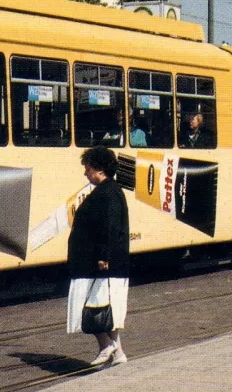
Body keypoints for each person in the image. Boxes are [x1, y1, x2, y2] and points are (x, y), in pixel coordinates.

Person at [67, 146, 130, 366]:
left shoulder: (107, 193)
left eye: (87, 168)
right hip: (99, 261)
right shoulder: (109, 191)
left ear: (99, 169)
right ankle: (118, 353)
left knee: (90, 308)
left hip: (98, 262)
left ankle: (107, 346)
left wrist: (103, 256)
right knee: (104, 309)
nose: (85, 173)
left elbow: (109, 227)